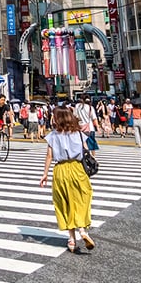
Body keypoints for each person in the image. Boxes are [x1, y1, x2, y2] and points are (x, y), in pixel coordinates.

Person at [39, 107, 95, 254]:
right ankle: (82, 229)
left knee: (65, 202)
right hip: (77, 168)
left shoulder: (53, 135)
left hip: (61, 170)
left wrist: (45, 174)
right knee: (82, 198)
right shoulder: (79, 134)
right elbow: (86, 152)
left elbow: (49, 156)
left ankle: (71, 239)